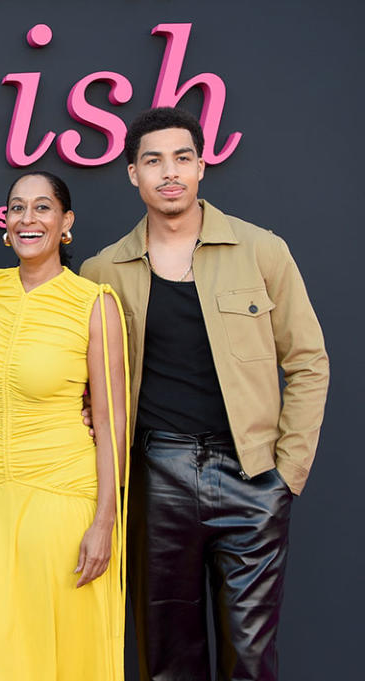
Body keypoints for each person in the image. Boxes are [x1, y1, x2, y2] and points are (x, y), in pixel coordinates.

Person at [80, 107, 329, 681]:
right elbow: (80, 379)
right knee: (166, 658)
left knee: (250, 656)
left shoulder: (263, 250)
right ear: (132, 174)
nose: (169, 172)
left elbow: (309, 362)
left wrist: (286, 473)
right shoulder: (103, 270)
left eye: (182, 158)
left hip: (251, 477)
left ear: (201, 167)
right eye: (153, 161)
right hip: (155, 479)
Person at [0, 171, 129, 681]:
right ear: (5, 224)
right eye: (17, 208)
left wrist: (105, 522)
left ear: (65, 222)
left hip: (63, 500)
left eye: (43, 207)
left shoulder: (94, 304)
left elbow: (113, 419)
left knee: (57, 655)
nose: (28, 219)